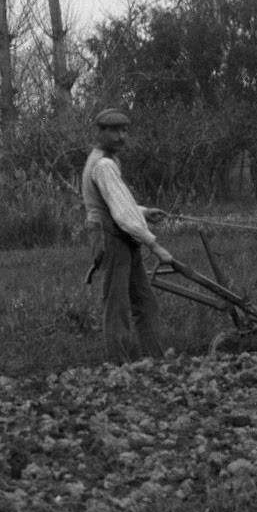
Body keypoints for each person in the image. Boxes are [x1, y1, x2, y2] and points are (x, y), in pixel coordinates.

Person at [82, 107, 176, 362]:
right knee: (118, 307)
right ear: (100, 132)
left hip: (120, 235)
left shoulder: (107, 160)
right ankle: (119, 365)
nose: (121, 137)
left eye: (124, 131)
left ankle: (154, 358)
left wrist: (143, 211)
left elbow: (118, 204)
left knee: (145, 303)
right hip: (111, 237)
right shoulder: (103, 165)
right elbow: (122, 215)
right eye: (114, 131)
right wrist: (155, 246)